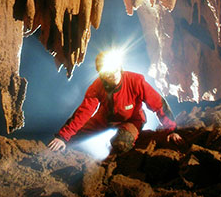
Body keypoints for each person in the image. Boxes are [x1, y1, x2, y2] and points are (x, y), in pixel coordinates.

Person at [48, 50, 183, 153]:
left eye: (114, 68)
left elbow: (158, 105)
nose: (111, 74)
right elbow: (84, 111)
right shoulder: (97, 86)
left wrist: (171, 130)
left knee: (122, 143)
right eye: (106, 71)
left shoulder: (135, 81)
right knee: (72, 138)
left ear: (119, 67)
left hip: (131, 119)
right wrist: (63, 136)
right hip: (105, 119)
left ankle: (140, 139)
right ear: (101, 74)